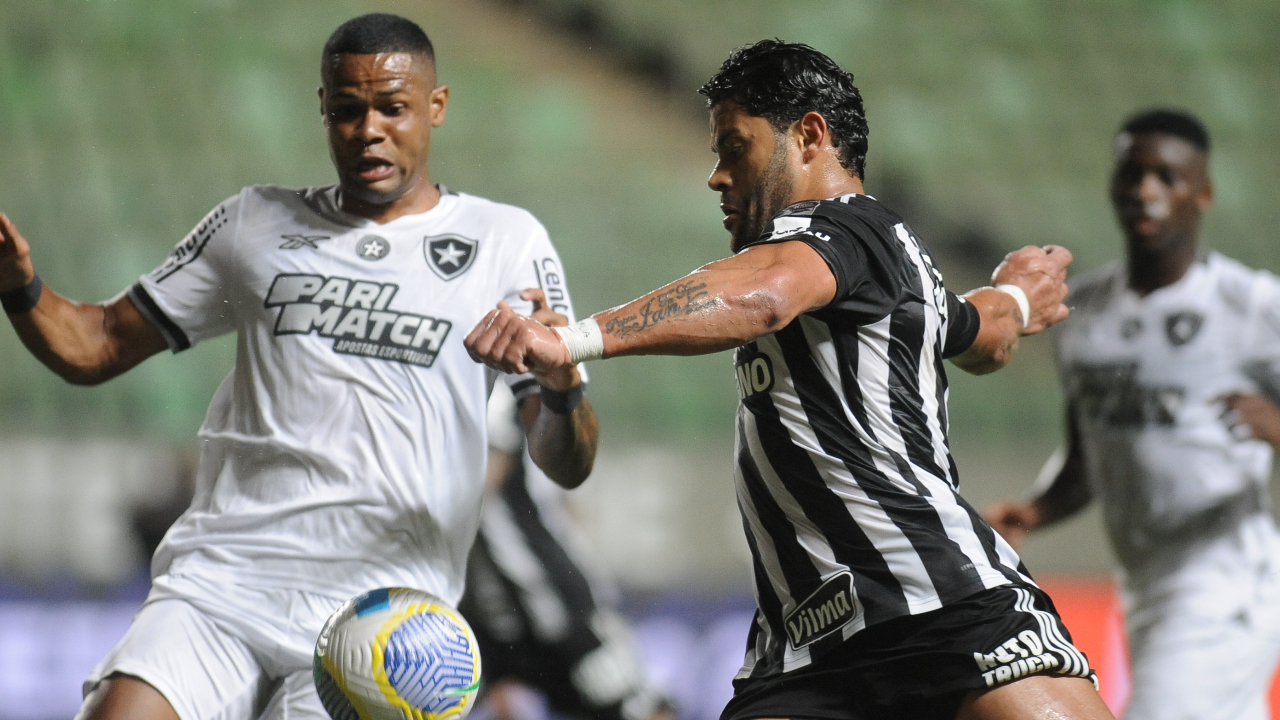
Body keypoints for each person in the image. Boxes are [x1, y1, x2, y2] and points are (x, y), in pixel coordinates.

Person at [466, 39, 1112, 720]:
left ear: (810, 136)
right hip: (804, 648)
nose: (718, 176)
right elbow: (981, 336)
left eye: (734, 148)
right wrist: (1012, 302)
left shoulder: (847, 228)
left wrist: (571, 337)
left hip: (939, 607)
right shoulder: (896, 265)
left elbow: (767, 294)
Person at [0, 13, 598, 720]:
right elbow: (95, 343)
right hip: (220, 584)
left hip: (382, 619)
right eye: (347, 109)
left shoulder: (505, 241)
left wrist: (562, 389)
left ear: (436, 107)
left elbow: (567, 462)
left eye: (393, 108)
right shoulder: (253, 223)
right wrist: (18, 285)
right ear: (323, 109)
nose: (369, 128)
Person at [984, 109, 1280, 720]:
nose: (1145, 191)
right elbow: (1090, 452)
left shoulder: (1248, 305)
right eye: (1132, 174)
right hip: (1145, 585)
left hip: (1226, 584)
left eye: (1167, 177)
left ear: (1203, 192)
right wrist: (1035, 509)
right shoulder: (1084, 313)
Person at [461, 383, 672, 720]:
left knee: (635, 710)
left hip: (555, 600)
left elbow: (477, 485)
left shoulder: (491, 385)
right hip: (487, 610)